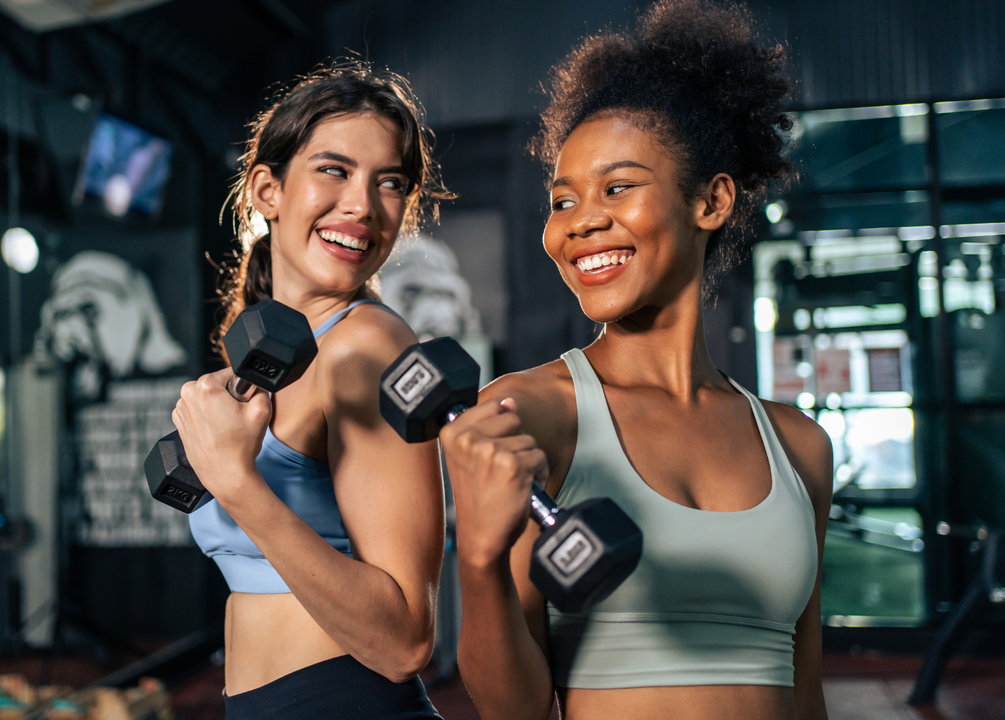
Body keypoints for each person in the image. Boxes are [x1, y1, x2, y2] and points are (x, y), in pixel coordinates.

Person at [440, 2, 832, 719]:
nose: (581, 220)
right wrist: (479, 560)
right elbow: (513, 711)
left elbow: (805, 686)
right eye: (562, 200)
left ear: (711, 201)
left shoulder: (799, 445)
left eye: (617, 187)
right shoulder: (531, 414)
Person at [170, 62, 450, 719]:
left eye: (390, 183)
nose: (361, 205)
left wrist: (236, 483)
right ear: (268, 188)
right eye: (335, 169)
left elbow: (407, 638)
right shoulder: (271, 345)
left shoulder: (366, 348)